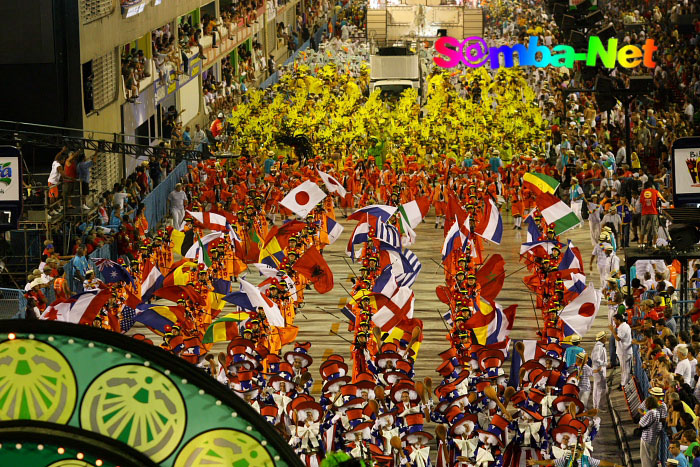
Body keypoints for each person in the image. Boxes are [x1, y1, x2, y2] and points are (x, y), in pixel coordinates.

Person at [640, 181, 666, 248]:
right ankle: (654, 245)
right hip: (653, 212)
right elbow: (663, 200)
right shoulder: (656, 191)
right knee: (655, 229)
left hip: (644, 213)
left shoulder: (642, 192)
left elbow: (641, 202)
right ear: (651, 186)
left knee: (643, 229)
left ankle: (641, 244)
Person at [639, 395, 663, 467]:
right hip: (653, 439)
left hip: (647, 438)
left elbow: (641, 424)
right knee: (652, 459)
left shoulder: (650, 412)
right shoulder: (657, 412)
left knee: (646, 460)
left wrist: (642, 418)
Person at [610, 313, 632, 389]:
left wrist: (613, 331)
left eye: (614, 320)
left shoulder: (623, 327)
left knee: (625, 369)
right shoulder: (623, 326)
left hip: (624, 351)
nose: (613, 322)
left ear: (619, 320)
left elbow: (618, 338)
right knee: (623, 369)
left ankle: (624, 385)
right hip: (623, 351)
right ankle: (624, 383)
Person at [591, 331, 608, 410]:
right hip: (599, 370)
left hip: (599, 369)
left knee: (597, 388)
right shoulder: (599, 347)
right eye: (605, 337)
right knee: (601, 388)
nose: (606, 338)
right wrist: (604, 364)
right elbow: (595, 359)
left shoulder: (600, 346)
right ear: (602, 338)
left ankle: (596, 405)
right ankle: (599, 406)